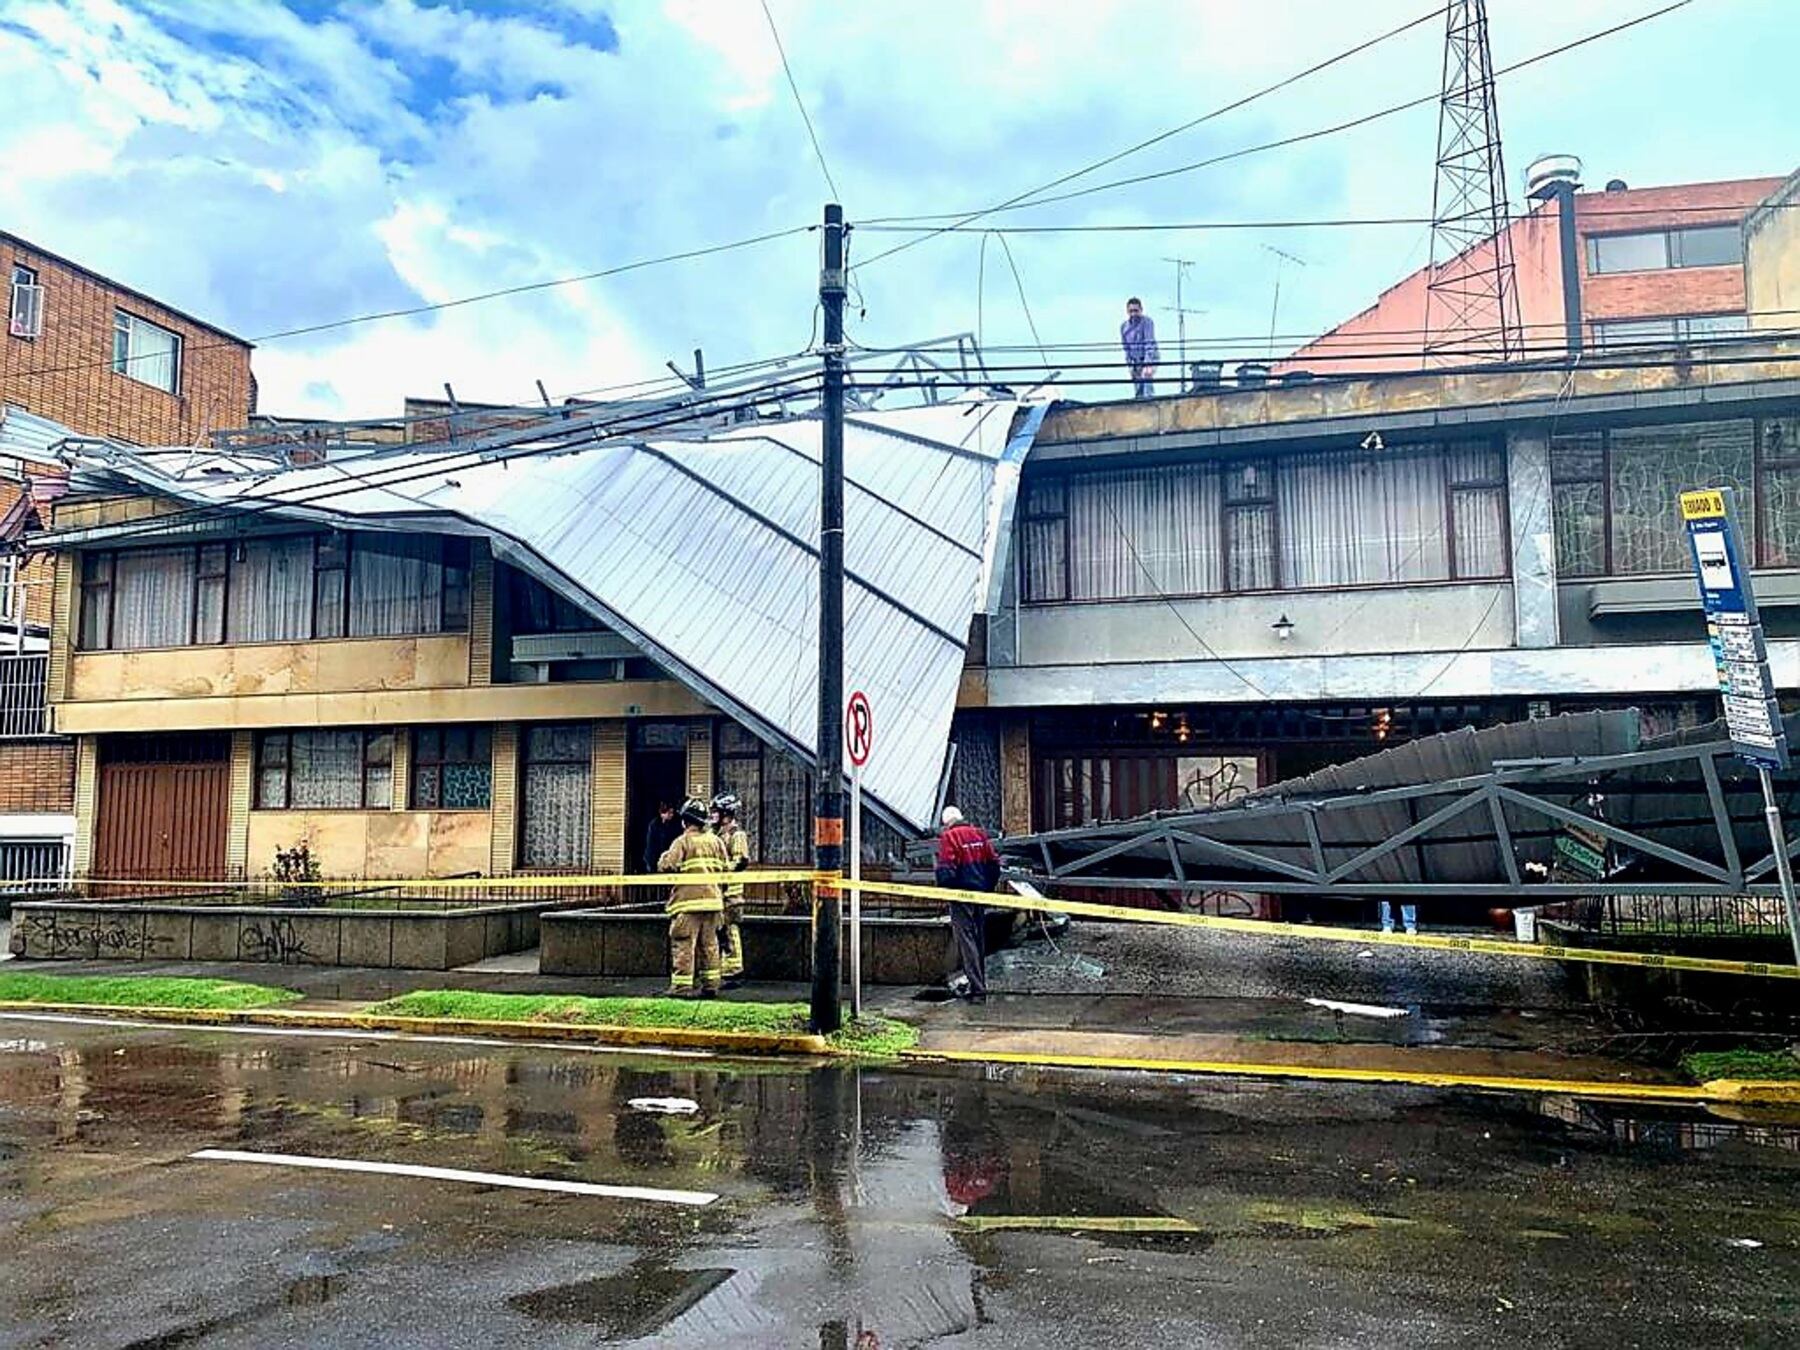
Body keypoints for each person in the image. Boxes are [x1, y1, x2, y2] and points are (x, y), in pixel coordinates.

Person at [657, 797, 730, 998]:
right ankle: (711, 986)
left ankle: (681, 987)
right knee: (710, 946)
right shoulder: (716, 841)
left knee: (684, 945)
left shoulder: (682, 841)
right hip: (714, 903)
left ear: (685, 821)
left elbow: (668, 866)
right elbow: (725, 869)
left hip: (687, 905)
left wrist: (663, 857)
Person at [935, 805, 1001, 1003]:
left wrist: (950, 890)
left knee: (966, 941)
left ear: (947, 822)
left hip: (961, 896)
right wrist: (987, 888)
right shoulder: (979, 834)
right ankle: (980, 984)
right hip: (980, 895)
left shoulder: (949, 837)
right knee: (978, 939)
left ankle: (978, 990)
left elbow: (946, 870)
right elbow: (994, 865)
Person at [711, 791, 752, 987]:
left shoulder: (737, 835)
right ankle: (722, 967)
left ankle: (733, 970)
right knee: (720, 930)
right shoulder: (716, 834)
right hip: (718, 891)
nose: (713, 815)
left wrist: (721, 869)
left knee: (730, 930)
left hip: (731, 893)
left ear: (726, 813)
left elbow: (741, 861)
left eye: (716, 812)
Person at [1120, 296, 1159, 398]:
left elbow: (1149, 343)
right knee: (1138, 387)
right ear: (1127, 311)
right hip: (1135, 360)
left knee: (1146, 380)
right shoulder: (1124, 327)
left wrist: (1148, 364)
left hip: (1149, 357)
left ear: (1141, 310)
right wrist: (1130, 365)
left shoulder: (1147, 322)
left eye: (1136, 311)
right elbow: (1126, 348)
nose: (1133, 314)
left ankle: (1150, 402)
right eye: (1131, 311)